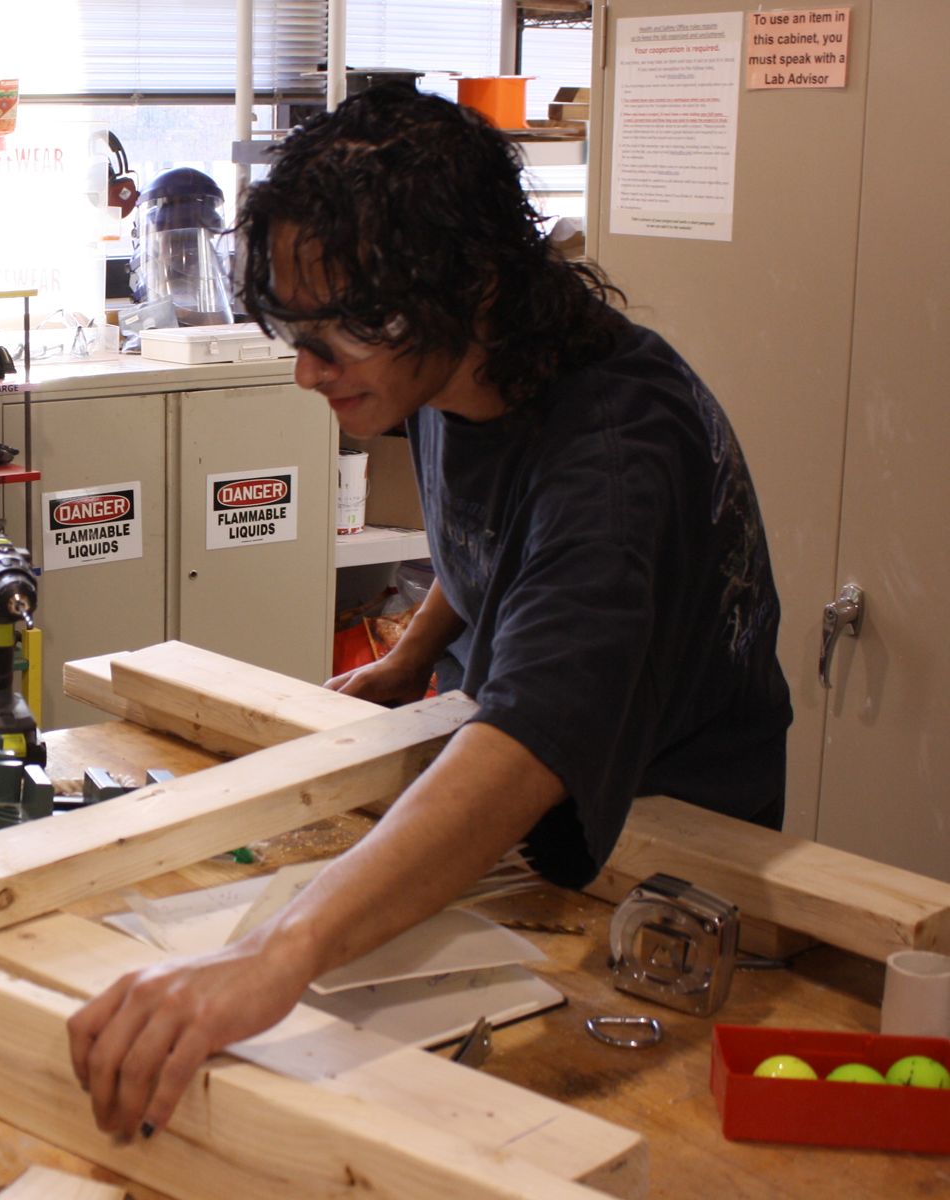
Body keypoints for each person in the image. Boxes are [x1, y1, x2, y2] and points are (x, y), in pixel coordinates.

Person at [67, 85, 791, 1138]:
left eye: (338, 337)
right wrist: (417, 648)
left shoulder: (616, 462)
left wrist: (273, 955)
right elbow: (501, 532)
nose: (307, 372)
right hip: (528, 802)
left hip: (668, 856)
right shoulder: (460, 371)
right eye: (297, 329)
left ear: (470, 286)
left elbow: (532, 737)